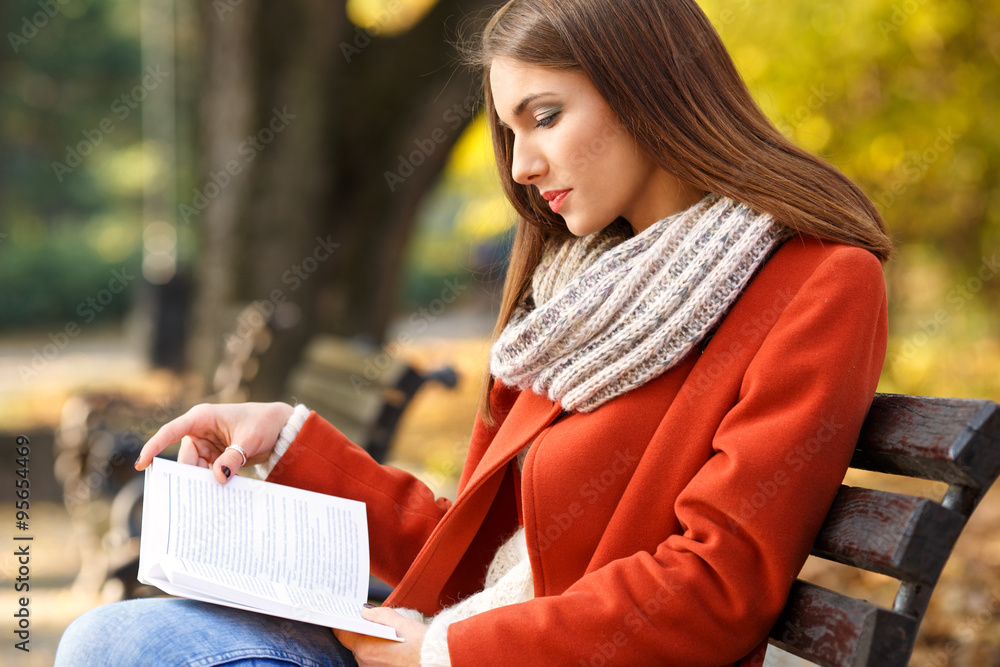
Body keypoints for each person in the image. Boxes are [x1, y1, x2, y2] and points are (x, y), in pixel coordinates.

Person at [55, 0, 892, 665]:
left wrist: (448, 651)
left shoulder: (814, 282)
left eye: (546, 116)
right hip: (462, 633)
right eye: (511, 129)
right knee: (118, 638)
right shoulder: (573, 293)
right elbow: (482, 549)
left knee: (126, 645)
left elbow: (718, 583)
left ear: (651, 87)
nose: (522, 165)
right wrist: (289, 442)